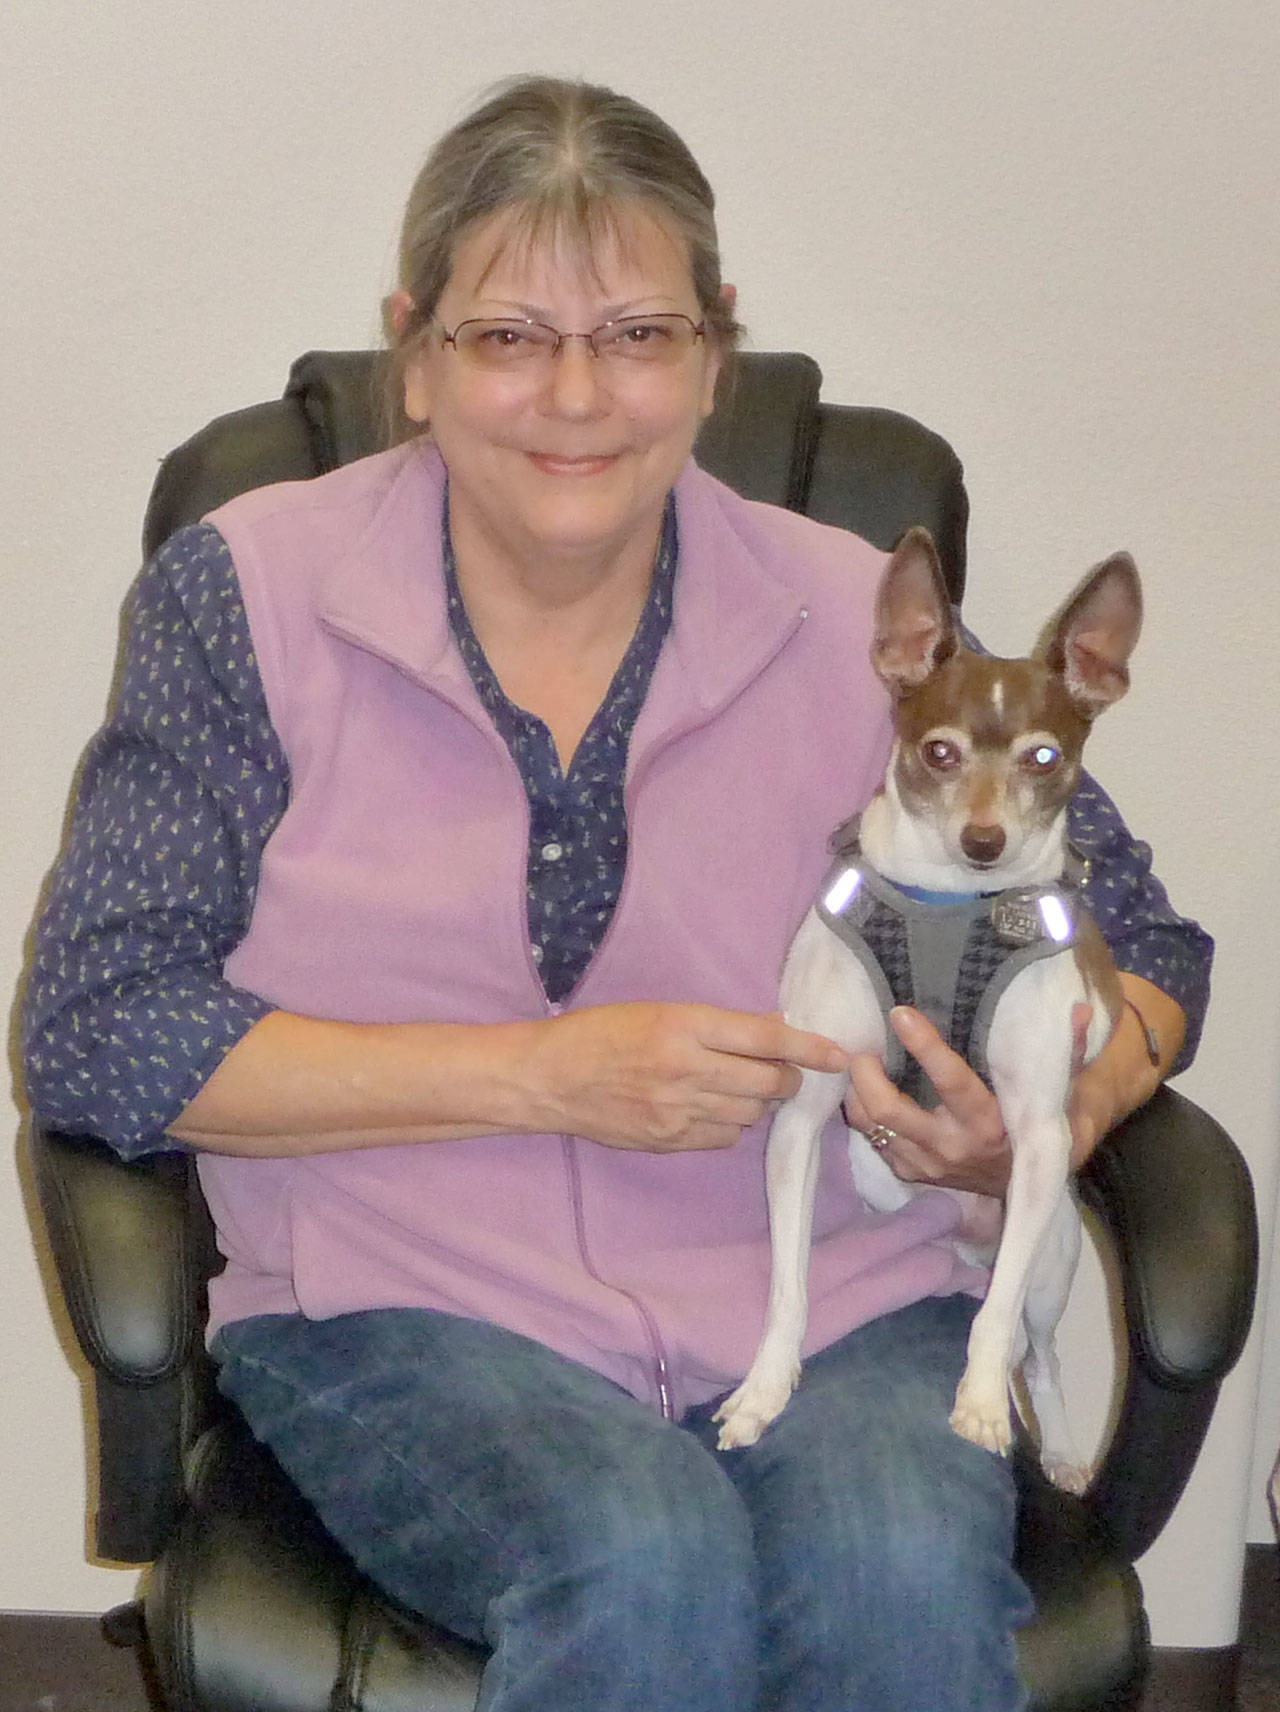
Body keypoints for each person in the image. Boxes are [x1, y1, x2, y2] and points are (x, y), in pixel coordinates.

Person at [22, 75, 1210, 1712]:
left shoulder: (857, 623)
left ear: (716, 354)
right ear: (416, 355)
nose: (575, 396)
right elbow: (99, 1031)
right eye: (510, 335)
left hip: (833, 1302)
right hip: (404, 1298)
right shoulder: (245, 594)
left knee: (897, 1584)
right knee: (643, 1562)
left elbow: (1145, 948)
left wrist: (1046, 1123)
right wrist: (534, 1078)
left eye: (639, 334)